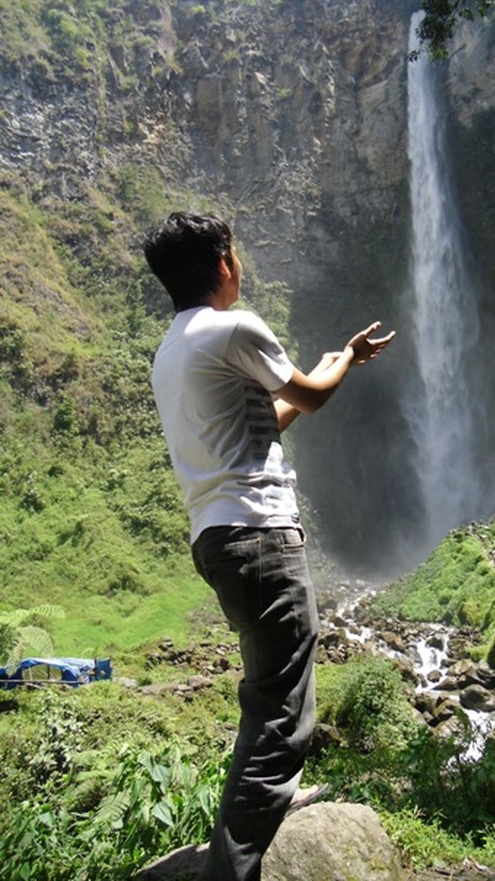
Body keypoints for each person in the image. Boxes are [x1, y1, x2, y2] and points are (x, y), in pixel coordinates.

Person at [143, 211, 395, 881]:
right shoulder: (235, 326)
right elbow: (310, 400)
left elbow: (263, 425)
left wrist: (319, 368)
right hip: (261, 534)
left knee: (265, 694)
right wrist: (344, 359)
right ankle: (235, 869)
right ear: (224, 263)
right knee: (285, 713)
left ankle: (267, 810)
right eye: (236, 254)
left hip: (217, 537)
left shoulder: (174, 348)